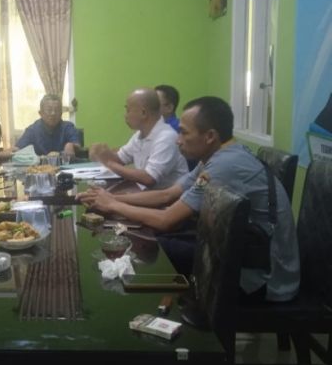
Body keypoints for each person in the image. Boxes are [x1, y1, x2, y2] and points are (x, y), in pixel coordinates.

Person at [78, 96, 300, 302]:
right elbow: (167, 194)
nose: (178, 140)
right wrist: (112, 198)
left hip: (262, 278)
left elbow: (167, 219)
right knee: (149, 241)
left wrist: (114, 205)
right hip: (235, 252)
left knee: (147, 250)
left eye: (184, 133)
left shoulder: (225, 165)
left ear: (210, 136)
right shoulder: (217, 156)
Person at [89, 88, 188, 189]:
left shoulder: (166, 137)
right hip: (147, 194)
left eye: (128, 110)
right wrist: (103, 154)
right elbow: (120, 159)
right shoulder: (139, 135)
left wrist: (108, 162)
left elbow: (149, 178)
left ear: (143, 113)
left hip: (171, 198)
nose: (125, 115)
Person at [7, 94, 81, 157]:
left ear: (61, 113)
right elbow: (17, 149)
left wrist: (71, 145)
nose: (53, 113)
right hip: (39, 168)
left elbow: (77, 146)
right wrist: (3, 154)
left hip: (66, 168)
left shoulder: (68, 127)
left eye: (57, 110)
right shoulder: (33, 130)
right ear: (41, 113)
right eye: (49, 110)